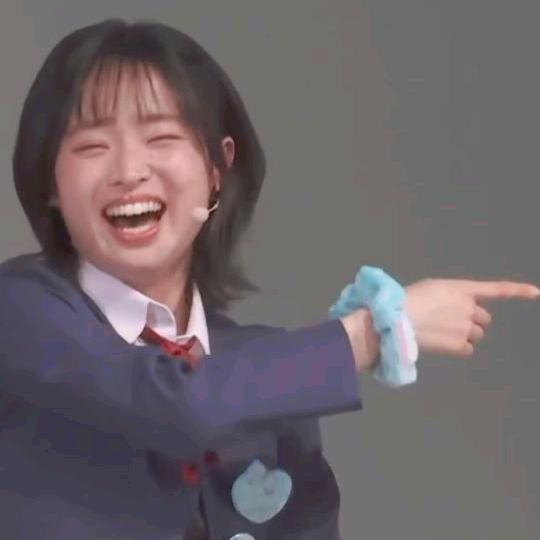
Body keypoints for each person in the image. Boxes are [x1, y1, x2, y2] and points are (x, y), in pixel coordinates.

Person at [0, 18, 537, 540]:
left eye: (161, 138)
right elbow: (178, 403)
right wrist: (371, 333)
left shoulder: (266, 371)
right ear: (50, 181)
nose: (128, 172)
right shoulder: (20, 313)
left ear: (217, 169)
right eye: (92, 147)